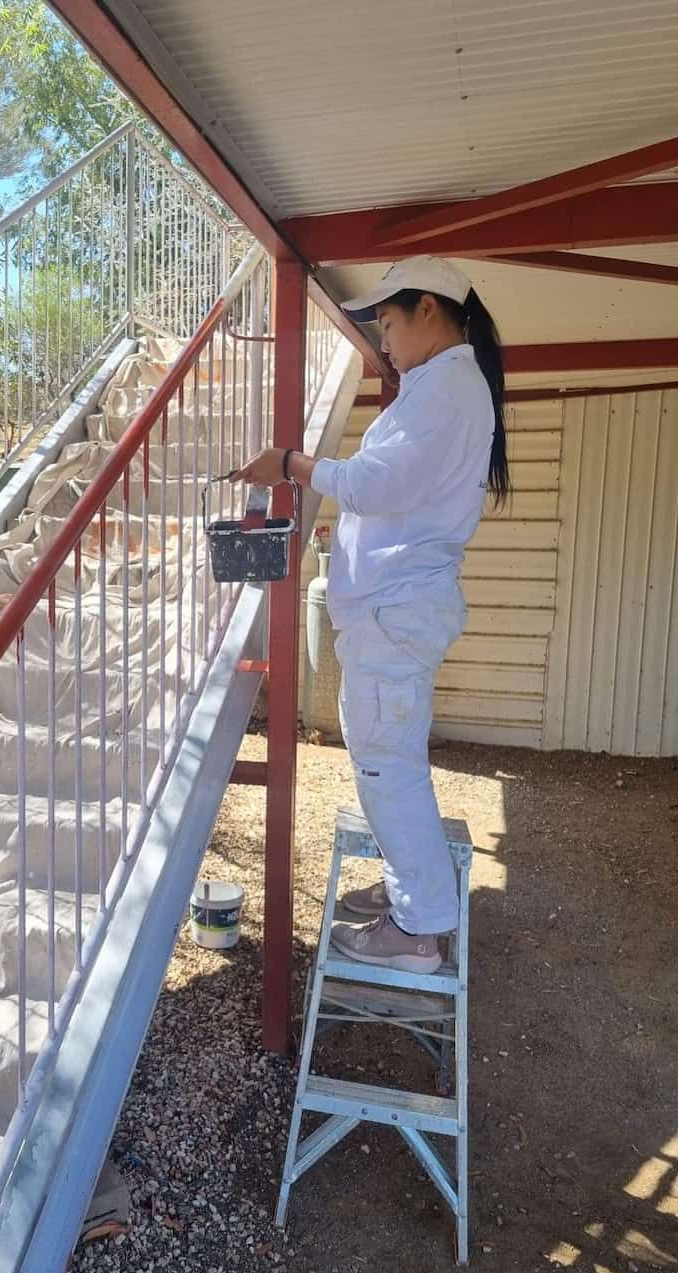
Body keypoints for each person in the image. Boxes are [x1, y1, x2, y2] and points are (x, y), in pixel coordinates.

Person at [231, 255, 509, 973]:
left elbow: (376, 483)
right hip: (393, 608)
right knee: (385, 758)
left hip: (396, 610)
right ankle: (406, 896)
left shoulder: (448, 388)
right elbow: (399, 491)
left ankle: (420, 931)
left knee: (389, 764)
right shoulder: (439, 387)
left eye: (387, 322)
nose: (383, 341)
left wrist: (291, 461)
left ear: (428, 310)